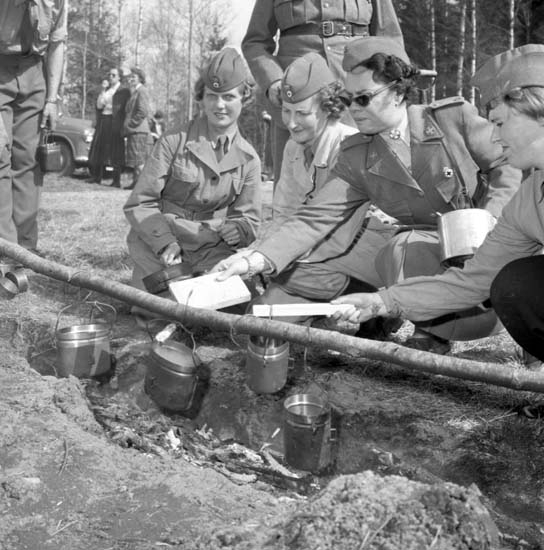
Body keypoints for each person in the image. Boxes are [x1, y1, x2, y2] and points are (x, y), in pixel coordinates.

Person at [214, 37, 521, 353]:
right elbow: (315, 217)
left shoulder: (452, 119)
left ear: (398, 92)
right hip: (430, 263)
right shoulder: (357, 156)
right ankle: (433, 328)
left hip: (497, 254)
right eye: (348, 100)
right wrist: (255, 259)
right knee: (401, 249)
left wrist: (490, 221)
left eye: (363, 98)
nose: (353, 109)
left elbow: (507, 165)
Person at [329, 47, 544, 366]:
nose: (495, 138)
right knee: (517, 282)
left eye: (499, 123)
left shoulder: (452, 122)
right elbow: (473, 281)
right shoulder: (528, 200)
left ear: (537, 112)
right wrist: (381, 302)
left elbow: (502, 175)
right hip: (461, 257)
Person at [248, 51, 394, 328]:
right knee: (261, 315)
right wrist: (259, 254)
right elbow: (285, 213)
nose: (291, 123)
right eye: (286, 111)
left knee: (290, 274)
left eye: (302, 113)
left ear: (328, 108)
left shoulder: (351, 146)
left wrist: (273, 259)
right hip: (315, 254)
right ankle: (331, 313)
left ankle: (374, 306)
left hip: (359, 250)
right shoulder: (293, 148)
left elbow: (333, 228)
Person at [124, 47, 262, 297]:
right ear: (202, 97)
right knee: (160, 310)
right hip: (162, 245)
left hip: (212, 249)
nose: (219, 105)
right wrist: (164, 242)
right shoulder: (173, 140)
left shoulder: (249, 158)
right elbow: (140, 202)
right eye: (212, 96)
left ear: (244, 98)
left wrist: (239, 229)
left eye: (229, 97)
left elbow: (249, 219)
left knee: (234, 308)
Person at [242, 0, 403, 184]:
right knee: (292, 189)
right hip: (295, 101)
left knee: (360, 185)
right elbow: (255, 42)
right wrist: (273, 80)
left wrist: (385, 91)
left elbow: (390, 40)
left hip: (355, 95)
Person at [0, 0, 67, 255]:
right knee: (0, 155)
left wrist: (51, 100)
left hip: (34, 72)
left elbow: (57, 43)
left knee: (29, 161)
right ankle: (6, 251)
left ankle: (26, 251)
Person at [124, 66, 151, 190]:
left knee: (139, 159)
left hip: (138, 130)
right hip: (135, 130)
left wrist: (131, 124)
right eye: (130, 76)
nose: (131, 79)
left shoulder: (142, 91)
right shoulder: (135, 92)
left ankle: (142, 186)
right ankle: (136, 182)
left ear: (140, 78)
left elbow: (142, 111)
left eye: (133, 77)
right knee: (136, 159)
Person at [88, 78, 114, 184]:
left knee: (105, 149)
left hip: (109, 121)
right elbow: (99, 105)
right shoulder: (103, 93)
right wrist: (103, 92)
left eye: (106, 82)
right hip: (101, 121)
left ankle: (103, 176)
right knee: (96, 148)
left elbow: (107, 105)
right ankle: (95, 175)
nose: (104, 83)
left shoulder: (112, 92)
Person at [111, 67, 131, 188]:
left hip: (119, 124)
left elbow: (127, 109)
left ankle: (117, 180)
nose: (110, 77)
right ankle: (102, 176)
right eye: (110, 75)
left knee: (118, 151)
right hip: (107, 123)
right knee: (110, 151)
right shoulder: (108, 90)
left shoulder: (124, 91)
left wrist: (125, 125)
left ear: (119, 77)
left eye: (113, 75)